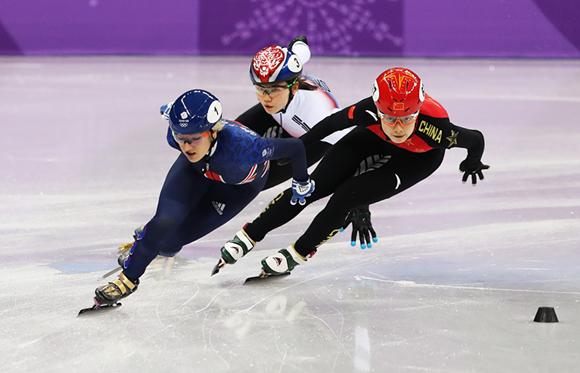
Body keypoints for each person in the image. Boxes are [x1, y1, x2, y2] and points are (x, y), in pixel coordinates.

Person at [219, 67, 490, 277]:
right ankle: (250, 234)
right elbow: (327, 127)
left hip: (418, 159)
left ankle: (298, 253)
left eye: (407, 118)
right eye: (390, 117)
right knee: (313, 185)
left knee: (346, 197)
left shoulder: (437, 129)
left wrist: (472, 162)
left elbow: (475, 138)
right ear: (377, 109)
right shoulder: (367, 111)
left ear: (418, 111)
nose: (398, 127)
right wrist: (296, 148)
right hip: (370, 138)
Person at [92, 89, 315, 305]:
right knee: (163, 222)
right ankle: (127, 280)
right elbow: (170, 113)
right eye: (181, 138)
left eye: (194, 139)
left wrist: (301, 182)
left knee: (170, 242)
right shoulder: (177, 135)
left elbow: (295, 148)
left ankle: (154, 240)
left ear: (213, 131)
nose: (186, 146)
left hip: (235, 188)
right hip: (196, 169)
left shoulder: (245, 148)